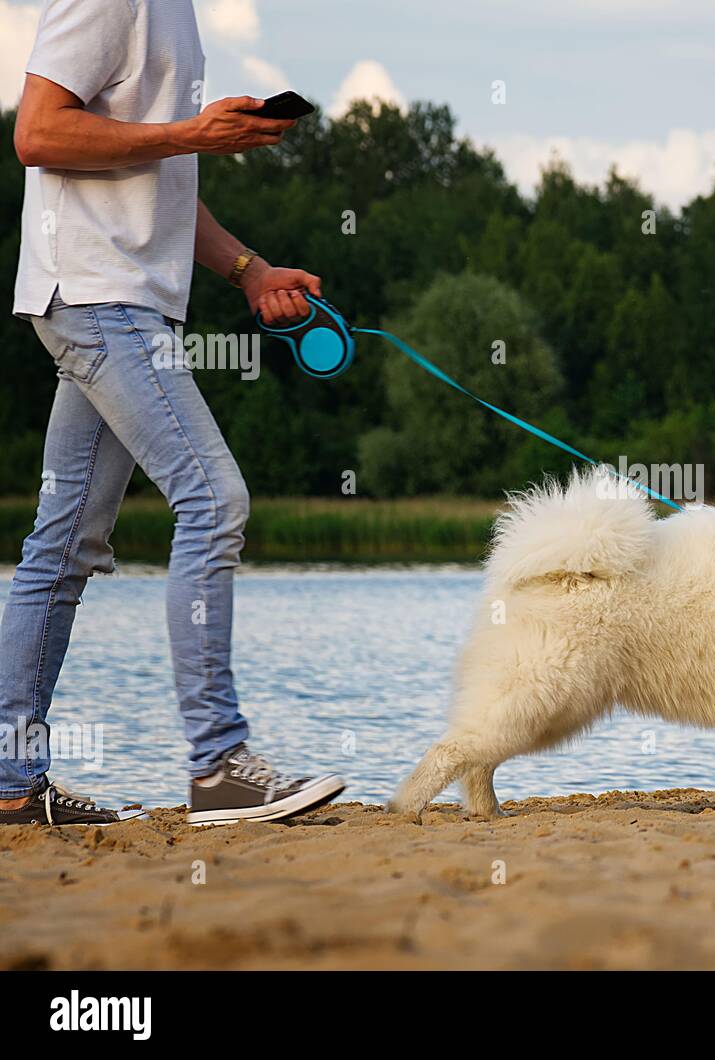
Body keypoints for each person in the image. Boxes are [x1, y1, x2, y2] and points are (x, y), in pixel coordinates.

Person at [0, 0, 346, 826]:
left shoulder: (174, 12)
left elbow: (155, 183)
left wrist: (250, 271)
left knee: (66, 543)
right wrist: (190, 133)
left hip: (125, 301)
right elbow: (38, 134)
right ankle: (219, 761)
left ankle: (10, 781)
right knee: (213, 498)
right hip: (96, 297)